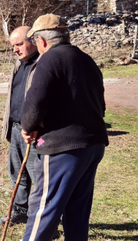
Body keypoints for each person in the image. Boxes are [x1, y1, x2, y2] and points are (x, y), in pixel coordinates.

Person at [21, 14, 109, 240]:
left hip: (63, 148)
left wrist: (28, 126)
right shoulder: (86, 59)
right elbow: (101, 103)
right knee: (77, 212)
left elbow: (35, 102)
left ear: (41, 41)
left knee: (45, 208)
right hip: (93, 144)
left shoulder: (49, 59)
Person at [0, 26, 39, 225]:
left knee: (38, 177)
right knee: (17, 173)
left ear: (33, 40)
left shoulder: (43, 64)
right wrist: (8, 127)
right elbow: (12, 97)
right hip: (15, 128)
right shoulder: (18, 64)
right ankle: (20, 212)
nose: (15, 49)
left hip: (32, 132)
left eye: (19, 44)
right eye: (13, 46)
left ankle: (40, 219)